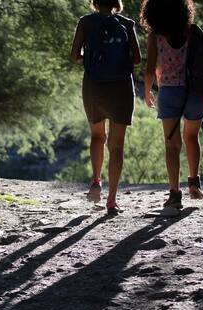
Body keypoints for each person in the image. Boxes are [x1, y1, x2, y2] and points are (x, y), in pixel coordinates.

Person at [70, 0, 141, 215]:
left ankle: (96, 180)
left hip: (94, 86)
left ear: (95, 2)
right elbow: (137, 60)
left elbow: (74, 56)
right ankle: (112, 200)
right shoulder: (127, 24)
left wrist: (91, 55)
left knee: (97, 136)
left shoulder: (85, 22)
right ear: (116, 2)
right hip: (121, 88)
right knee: (116, 146)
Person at [140, 0, 203, 210]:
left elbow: (150, 68)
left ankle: (174, 193)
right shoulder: (192, 31)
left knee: (172, 145)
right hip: (195, 92)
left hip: (169, 92)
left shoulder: (156, 35)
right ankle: (194, 181)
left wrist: (148, 90)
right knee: (192, 137)